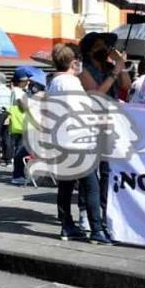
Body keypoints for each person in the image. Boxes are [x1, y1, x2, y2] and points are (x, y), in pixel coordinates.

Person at [48, 42, 112, 245]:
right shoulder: (70, 82)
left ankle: (66, 224)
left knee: (65, 186)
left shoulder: (53, 83)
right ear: (73, 62)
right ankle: (97, 229)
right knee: (91, 185)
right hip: (78, 141)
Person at [79, 32, 132, 223]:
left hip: (112, 124)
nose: (103, 49)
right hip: (91, 124)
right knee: (90, 170)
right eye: (99, 46)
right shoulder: (84, 70)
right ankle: (85, 211)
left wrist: (120, 65)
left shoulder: (111, 66)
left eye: (105, 46)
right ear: (90, 50)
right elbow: (96, 94)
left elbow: (126, 85)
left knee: (108, 170)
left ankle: (104, 209)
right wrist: (114, 72)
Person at [9, 72, 30, 185]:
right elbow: (22, 105)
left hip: (19, 123)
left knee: (19, 148)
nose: (27, 82)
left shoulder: (17, 91)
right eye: (26, 80)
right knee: (20, 150)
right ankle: (18, 174)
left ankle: (18, 173)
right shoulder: (18, 91)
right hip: (21, 123)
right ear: (21, 81)